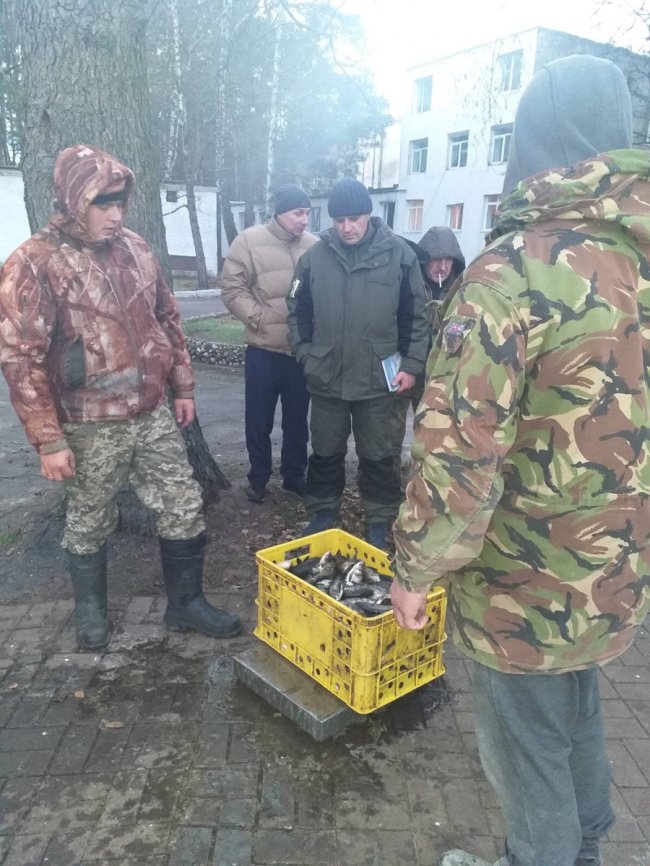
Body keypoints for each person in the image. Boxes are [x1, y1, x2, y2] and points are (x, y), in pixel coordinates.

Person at [391, 55, 650, 866]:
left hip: (522, 582)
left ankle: (544, 855)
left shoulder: (509, 276)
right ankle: (586, 847)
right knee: (576, 706)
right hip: (614, 570)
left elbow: (460, 455)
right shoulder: (638, 262)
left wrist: (414, 570)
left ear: (531, 143)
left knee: (525, 744)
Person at [0, 144, 241, 651]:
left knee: (183, 504)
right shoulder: (34, 262)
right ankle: (91, 615)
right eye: (102, 203)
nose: (115, 215)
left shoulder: (135, 247)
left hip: (151, 413)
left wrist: (183, 386)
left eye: (120, 203)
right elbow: (20, 357)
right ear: (74, 200)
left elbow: (166, 317)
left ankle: (186, 604)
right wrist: (48, 441)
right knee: (89, 519)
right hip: (87, 421)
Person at [287, 177, 429, 550]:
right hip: (327, 376)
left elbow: (416, 316)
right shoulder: (314, 259)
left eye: (354, 219)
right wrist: (305, 354)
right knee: (325, 450)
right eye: (339, 220)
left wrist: (411, 365)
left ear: (368, 214)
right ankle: (322, 511)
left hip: (379, 379)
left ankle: (380, 517)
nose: (347, 227)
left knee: (379, 454)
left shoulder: (400, 255)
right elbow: (297, 311)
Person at [220, 184, 316, 503]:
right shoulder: (249, 241)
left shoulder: (314, 246)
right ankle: (258, 477)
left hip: (299, 351)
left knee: (297, 421)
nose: (304, 220)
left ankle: (294, 476)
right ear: (280, 213)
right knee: (258, 420)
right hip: (262, 351)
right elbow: (232, 288)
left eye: (307, 213)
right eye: (298, 213)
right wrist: (258, 317)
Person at [392, 227, 465, 474]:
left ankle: (425, 482)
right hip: (403, 368)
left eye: (448, 260)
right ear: (424, 259)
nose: (442, 267)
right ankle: (388, 484)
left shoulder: (462, 290)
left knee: (434, 436)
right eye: (436, 259)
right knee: (390, 433)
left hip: (439, 376)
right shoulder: (406, 282)